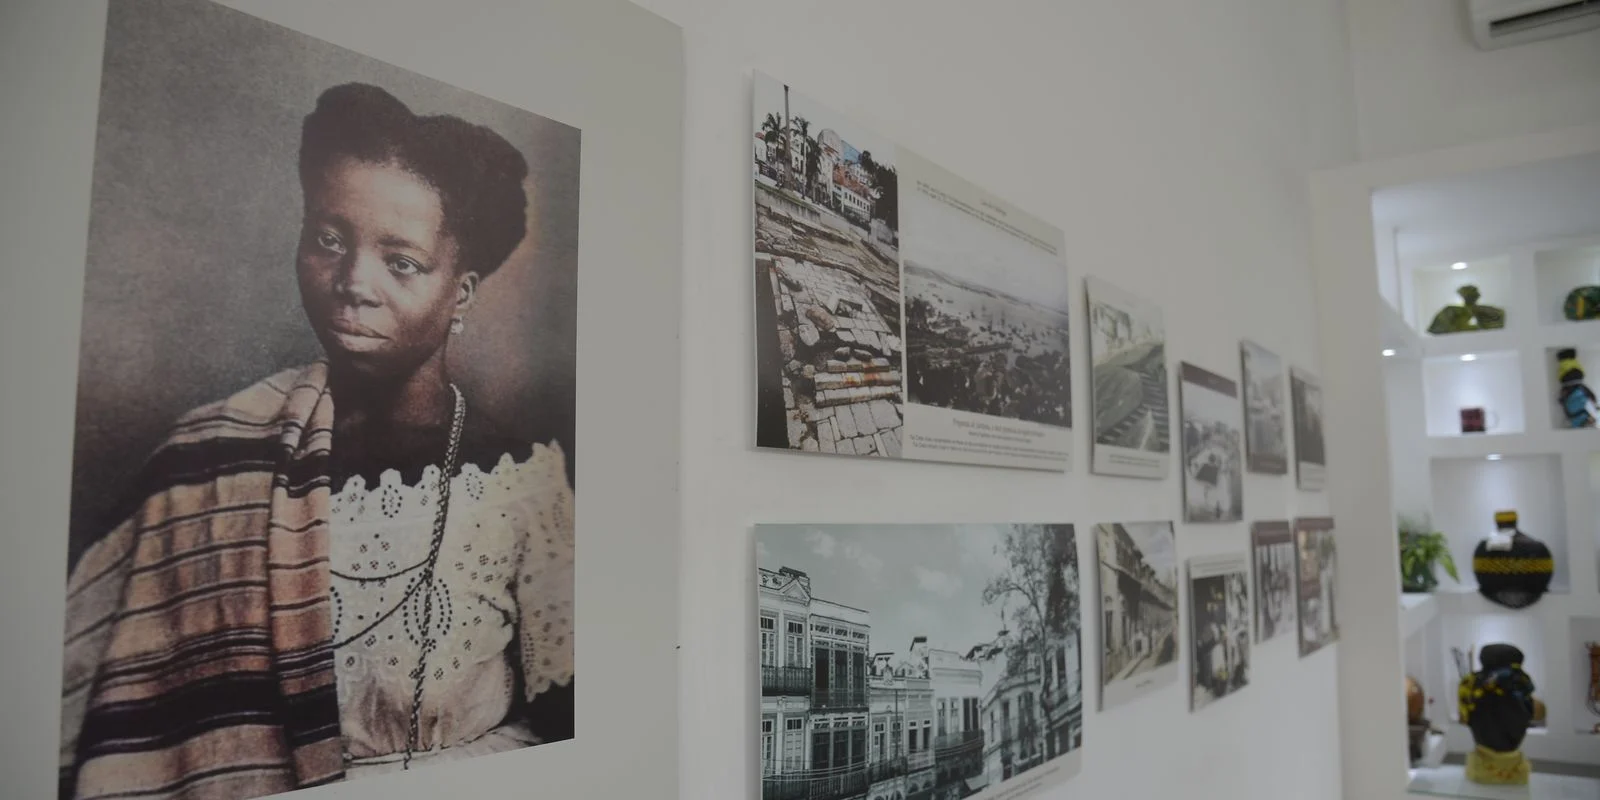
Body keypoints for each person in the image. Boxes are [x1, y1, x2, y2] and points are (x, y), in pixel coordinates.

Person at [59, 83, 574, 800]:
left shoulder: (518, 480)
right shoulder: (211, 453)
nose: (353, 282)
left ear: (460, 292)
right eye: (329, 241)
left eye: (401, 262)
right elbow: (93, 691)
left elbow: (570, 726)